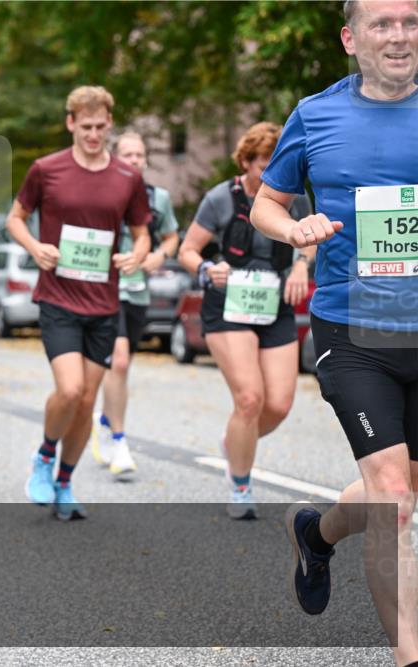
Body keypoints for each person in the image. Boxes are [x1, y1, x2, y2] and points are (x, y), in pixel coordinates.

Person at [249, 1, 417, 662]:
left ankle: (315, 533)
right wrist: (294, 230)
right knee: (394, 496)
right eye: (383, 23)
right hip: (353, 329)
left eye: (410, 20)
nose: (399, 34)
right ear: (351, 38)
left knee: (399, 486)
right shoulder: (315, 115)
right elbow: (268, 201)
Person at [7, 85, 151, 520]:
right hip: (58, 297)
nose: (93, 135)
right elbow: (14, 218)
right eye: (85, 127)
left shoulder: (127, 178)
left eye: (100, 127)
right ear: (70, 123)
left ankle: (65, 483)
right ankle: (44, 457)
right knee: (69, 389)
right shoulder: (45, 169)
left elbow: (143, 232)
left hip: (104, 304)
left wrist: (137, 255)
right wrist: (34, 247)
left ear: (109, 124)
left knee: (87, 401)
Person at [178, 122, 314, 520]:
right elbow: (188, 250)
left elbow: (309, 244)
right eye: (261, 163)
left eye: (276, 162)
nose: (269, 170)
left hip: (274, 306)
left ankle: (235, 440)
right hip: (228, 306)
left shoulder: (296, 199)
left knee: (279, 403)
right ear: (246, 161)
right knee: (250, 398)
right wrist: (206, 268)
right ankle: (240, 483)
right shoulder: (220, 198)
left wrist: (302, 266)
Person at [91, 131, 180, 479]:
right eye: (127, 154)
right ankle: (119, 440)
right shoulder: (100, 195)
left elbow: (172, 236)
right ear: (114, 159)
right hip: (105, 290)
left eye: (140, 155)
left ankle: (103, 420)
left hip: (138, 292)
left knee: (121, 367)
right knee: (121, 361)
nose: (135, 160)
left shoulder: (159, 199)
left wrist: (159, 255)